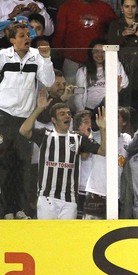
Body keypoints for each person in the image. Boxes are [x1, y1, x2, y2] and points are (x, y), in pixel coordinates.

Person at [19, 91, 106, 219]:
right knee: (47, 236)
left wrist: (103, 129)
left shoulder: (78, 138)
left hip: (69, 200)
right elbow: (23, 130)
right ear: (53, 120)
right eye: (62, 114)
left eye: (69, 114)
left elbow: (103, 151)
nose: (67, 116)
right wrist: (39, 109)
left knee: (66, 237)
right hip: (47, 198)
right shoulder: (45, 135)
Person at [0, 22, 54, 220]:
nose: (26, 38)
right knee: (4, 165)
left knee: (22, 164)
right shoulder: (3, 56)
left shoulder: (37, 56)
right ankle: (6, 211)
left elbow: (48, 82)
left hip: (24, 118)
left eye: (27, 35)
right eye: (21, 35)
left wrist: (47, 59)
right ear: (12, 39)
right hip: (3, 115)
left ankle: (21, 209)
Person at [107, 0, 138, 116]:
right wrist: (123, 35)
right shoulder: (115, 25)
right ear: (122, 8)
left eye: (133, 7)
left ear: (137, 8)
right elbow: (110, 48)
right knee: (121, 108)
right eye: (127, 6)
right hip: (120, 72)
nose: (130, 10)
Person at [52, 0, 117, 83]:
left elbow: (115, 30)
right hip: (72, 61)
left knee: (96, 93)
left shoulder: (105, 8)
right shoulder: (66, 7)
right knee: (71, 93)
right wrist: (60, 54)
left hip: (97, 61)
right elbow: (59, 35)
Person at [74, 38, 130, 113]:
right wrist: (81, 112)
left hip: (109, 107)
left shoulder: (112, 68)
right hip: (89, 110)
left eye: (103, 52)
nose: (99, 54)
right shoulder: (83, 71)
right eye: (96, 51)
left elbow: (124, 83)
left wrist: (115, 59)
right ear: (91, 53)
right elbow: (78, 93)